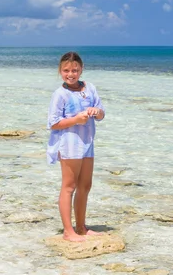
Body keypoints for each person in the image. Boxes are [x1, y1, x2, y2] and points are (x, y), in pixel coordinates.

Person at [47, 51, 105, 242]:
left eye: (75, 70)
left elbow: (102, 114)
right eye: (66, 70)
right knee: (69, 187)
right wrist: (75, 120)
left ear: (81, 70)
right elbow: (53, 123)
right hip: (69, 144)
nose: (70, 74)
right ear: (60, 71)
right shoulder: (60, 94)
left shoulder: (90, 88)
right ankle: (67, 231)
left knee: (85, 186)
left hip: (88, 143)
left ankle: (81, 227)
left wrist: (96, 112)